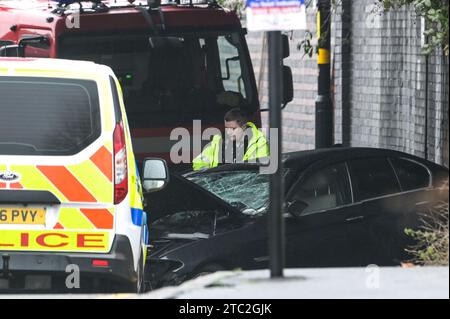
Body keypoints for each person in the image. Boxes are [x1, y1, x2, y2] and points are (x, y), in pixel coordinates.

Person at [193, 108, 269, 171]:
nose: (228, 132)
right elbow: (199, 161)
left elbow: (257, 169)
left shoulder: (259, 142)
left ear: (244, 127)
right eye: (227, 128)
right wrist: (204, 170)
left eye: (233, 129)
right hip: (219, 185)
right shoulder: (218, 141)